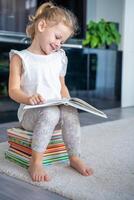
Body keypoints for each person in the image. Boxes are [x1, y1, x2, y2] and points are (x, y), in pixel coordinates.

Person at [9, 1, 93, 182]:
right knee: (50, 111)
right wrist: (28, 98)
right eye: (57, 37)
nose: (58, 44)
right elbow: (13, 91)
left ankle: (74, 157)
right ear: (41, 26)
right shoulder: (20, 57)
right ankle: (36, 161)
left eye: (62, 41)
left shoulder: (59, 58)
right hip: (31, 115)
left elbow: (61, 86)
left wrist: (68, 101)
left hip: (56, 111)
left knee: (69, 111)